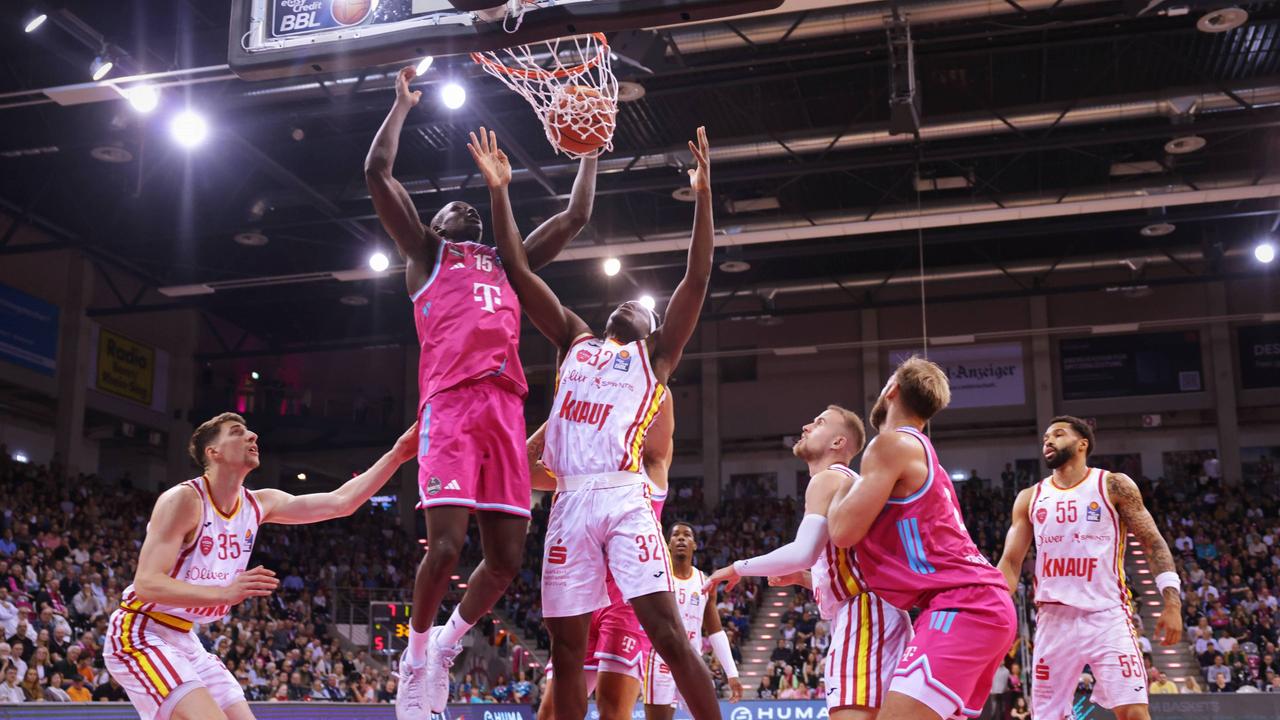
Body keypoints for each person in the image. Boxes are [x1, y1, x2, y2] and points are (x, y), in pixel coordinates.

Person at [364, 65, 597, 719]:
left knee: (505, 560)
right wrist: (401, 106)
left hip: (505, 407)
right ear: (434, 227)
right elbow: (377, 176)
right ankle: (413, 662)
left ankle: (444, 646)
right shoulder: (425, 257)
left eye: (471, 206)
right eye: (448, 207)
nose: (461, 208)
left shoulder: (506, 260)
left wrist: (591, 152)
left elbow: (577, 215)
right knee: (443, 548)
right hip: (452, 406)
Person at [474, 124, 719, 720]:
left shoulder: (654, 358)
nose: (633, 302)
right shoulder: (574, 339)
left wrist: (705, 199)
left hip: (622, 495)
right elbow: (518, 271)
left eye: (643, 305)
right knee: (565, 652)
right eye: (628, 300)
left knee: (668, 634)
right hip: (569, 503)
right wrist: (501, 191)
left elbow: (696, 278)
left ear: (652, 327)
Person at [103, 413, 418, 720]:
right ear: (213, 453)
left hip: (185, 638)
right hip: (141, 632)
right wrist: (224, 593)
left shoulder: (259, 502)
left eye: (249, 430)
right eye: (237, 432)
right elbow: (147, 584)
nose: (252, 436)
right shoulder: (184, 500)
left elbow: (341, 502)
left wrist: (398, 454)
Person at [827, 357, 1017, 720]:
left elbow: (842, 532)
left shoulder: (890, 445)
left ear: (891, 391)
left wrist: (838, 480)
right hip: (977, 605)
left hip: (962, 606)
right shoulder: (928, 459)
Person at [705, 406, 911, 720]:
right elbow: (856, 564)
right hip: (876, 614)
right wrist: (805, 579)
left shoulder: (828, 478)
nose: (805, 426)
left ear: (838, 443)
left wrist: (737, 568)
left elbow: (804, 551)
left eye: (819, 423)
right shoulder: (847, 482)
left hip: (867, 615)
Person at [997, 416, 1183, 720]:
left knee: (1134, 712)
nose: (1048, 441)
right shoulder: (1029, 497)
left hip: (1107, 616)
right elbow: (1010, 561)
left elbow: (1154, 543)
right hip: (1053, 620)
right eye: (1045, 437)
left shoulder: (1113, 484)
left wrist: (1172, 602)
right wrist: (995, 610)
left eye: (1058, 434)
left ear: (1082, 444)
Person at [529, 392, 677, 720]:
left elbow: (661, 401)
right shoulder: (576, 475)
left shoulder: (648, 466)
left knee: (611, 711)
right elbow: (523, 467)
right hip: (580, 602)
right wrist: (563, 412)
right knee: (550, 714)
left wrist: (644, 370)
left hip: (624, 605)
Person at [645, 522, 743, 720]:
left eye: (687, 535)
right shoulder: (656, 577)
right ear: (667, 543)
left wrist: (732, 674)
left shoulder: (704, 581)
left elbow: (715, 631)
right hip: (660, 660)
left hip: (692, 661)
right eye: (676, 535)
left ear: (695, 545)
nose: (681, 538)